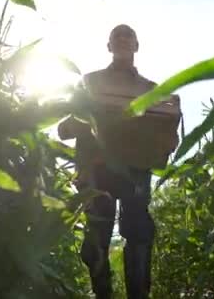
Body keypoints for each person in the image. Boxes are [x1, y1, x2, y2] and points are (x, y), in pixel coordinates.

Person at [57, 24, 180, 299]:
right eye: (117, 37)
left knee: (138, 232)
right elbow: (67, 127)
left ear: (137, 46)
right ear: (109, 46)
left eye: (129, 37)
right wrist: (80, 123)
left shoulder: (152, 90)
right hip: (95, 169)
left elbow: (167, 131)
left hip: (136, 170)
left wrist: (166, 142)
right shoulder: (89, 82)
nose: (123, 41)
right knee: (97, 236)